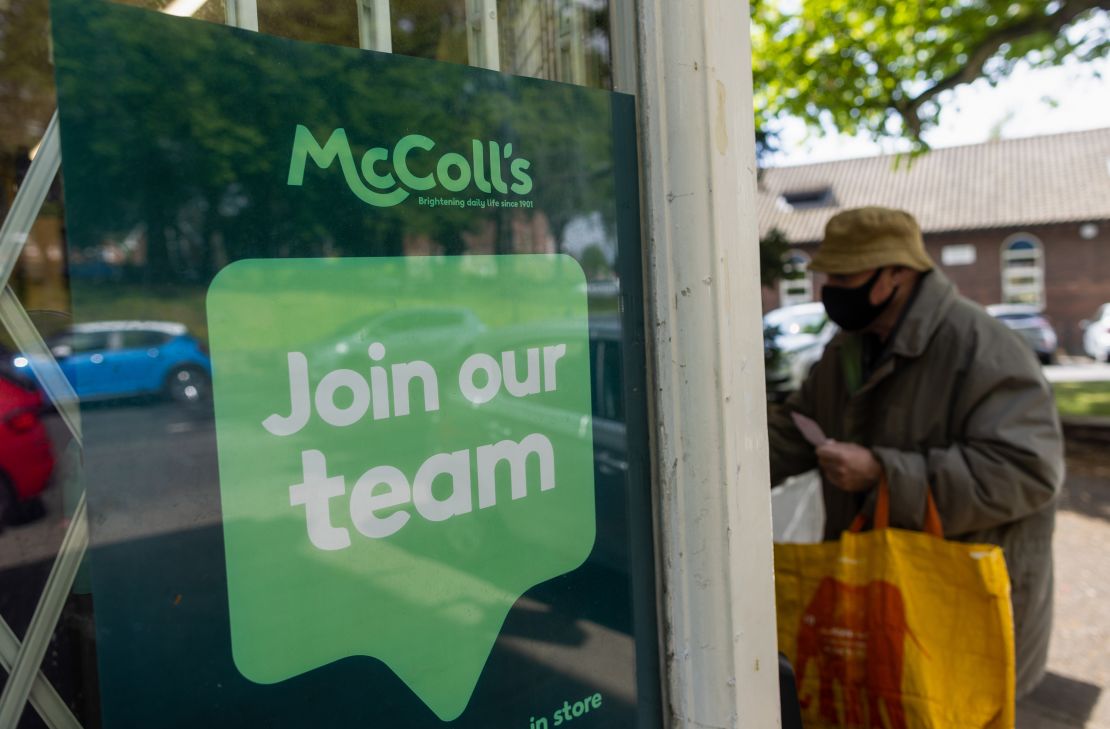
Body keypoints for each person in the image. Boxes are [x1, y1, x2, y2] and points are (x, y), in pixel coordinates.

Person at [767, 206, 1064, 698]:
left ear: (897, 273)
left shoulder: (983, 347)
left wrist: (882, 474)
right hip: (884, 604)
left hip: (961, 610)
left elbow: (1026, 472)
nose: (828, 291)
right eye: (826, 276)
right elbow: (799, 430)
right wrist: (718, 459)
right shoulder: (848, 349)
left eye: (845, 275)